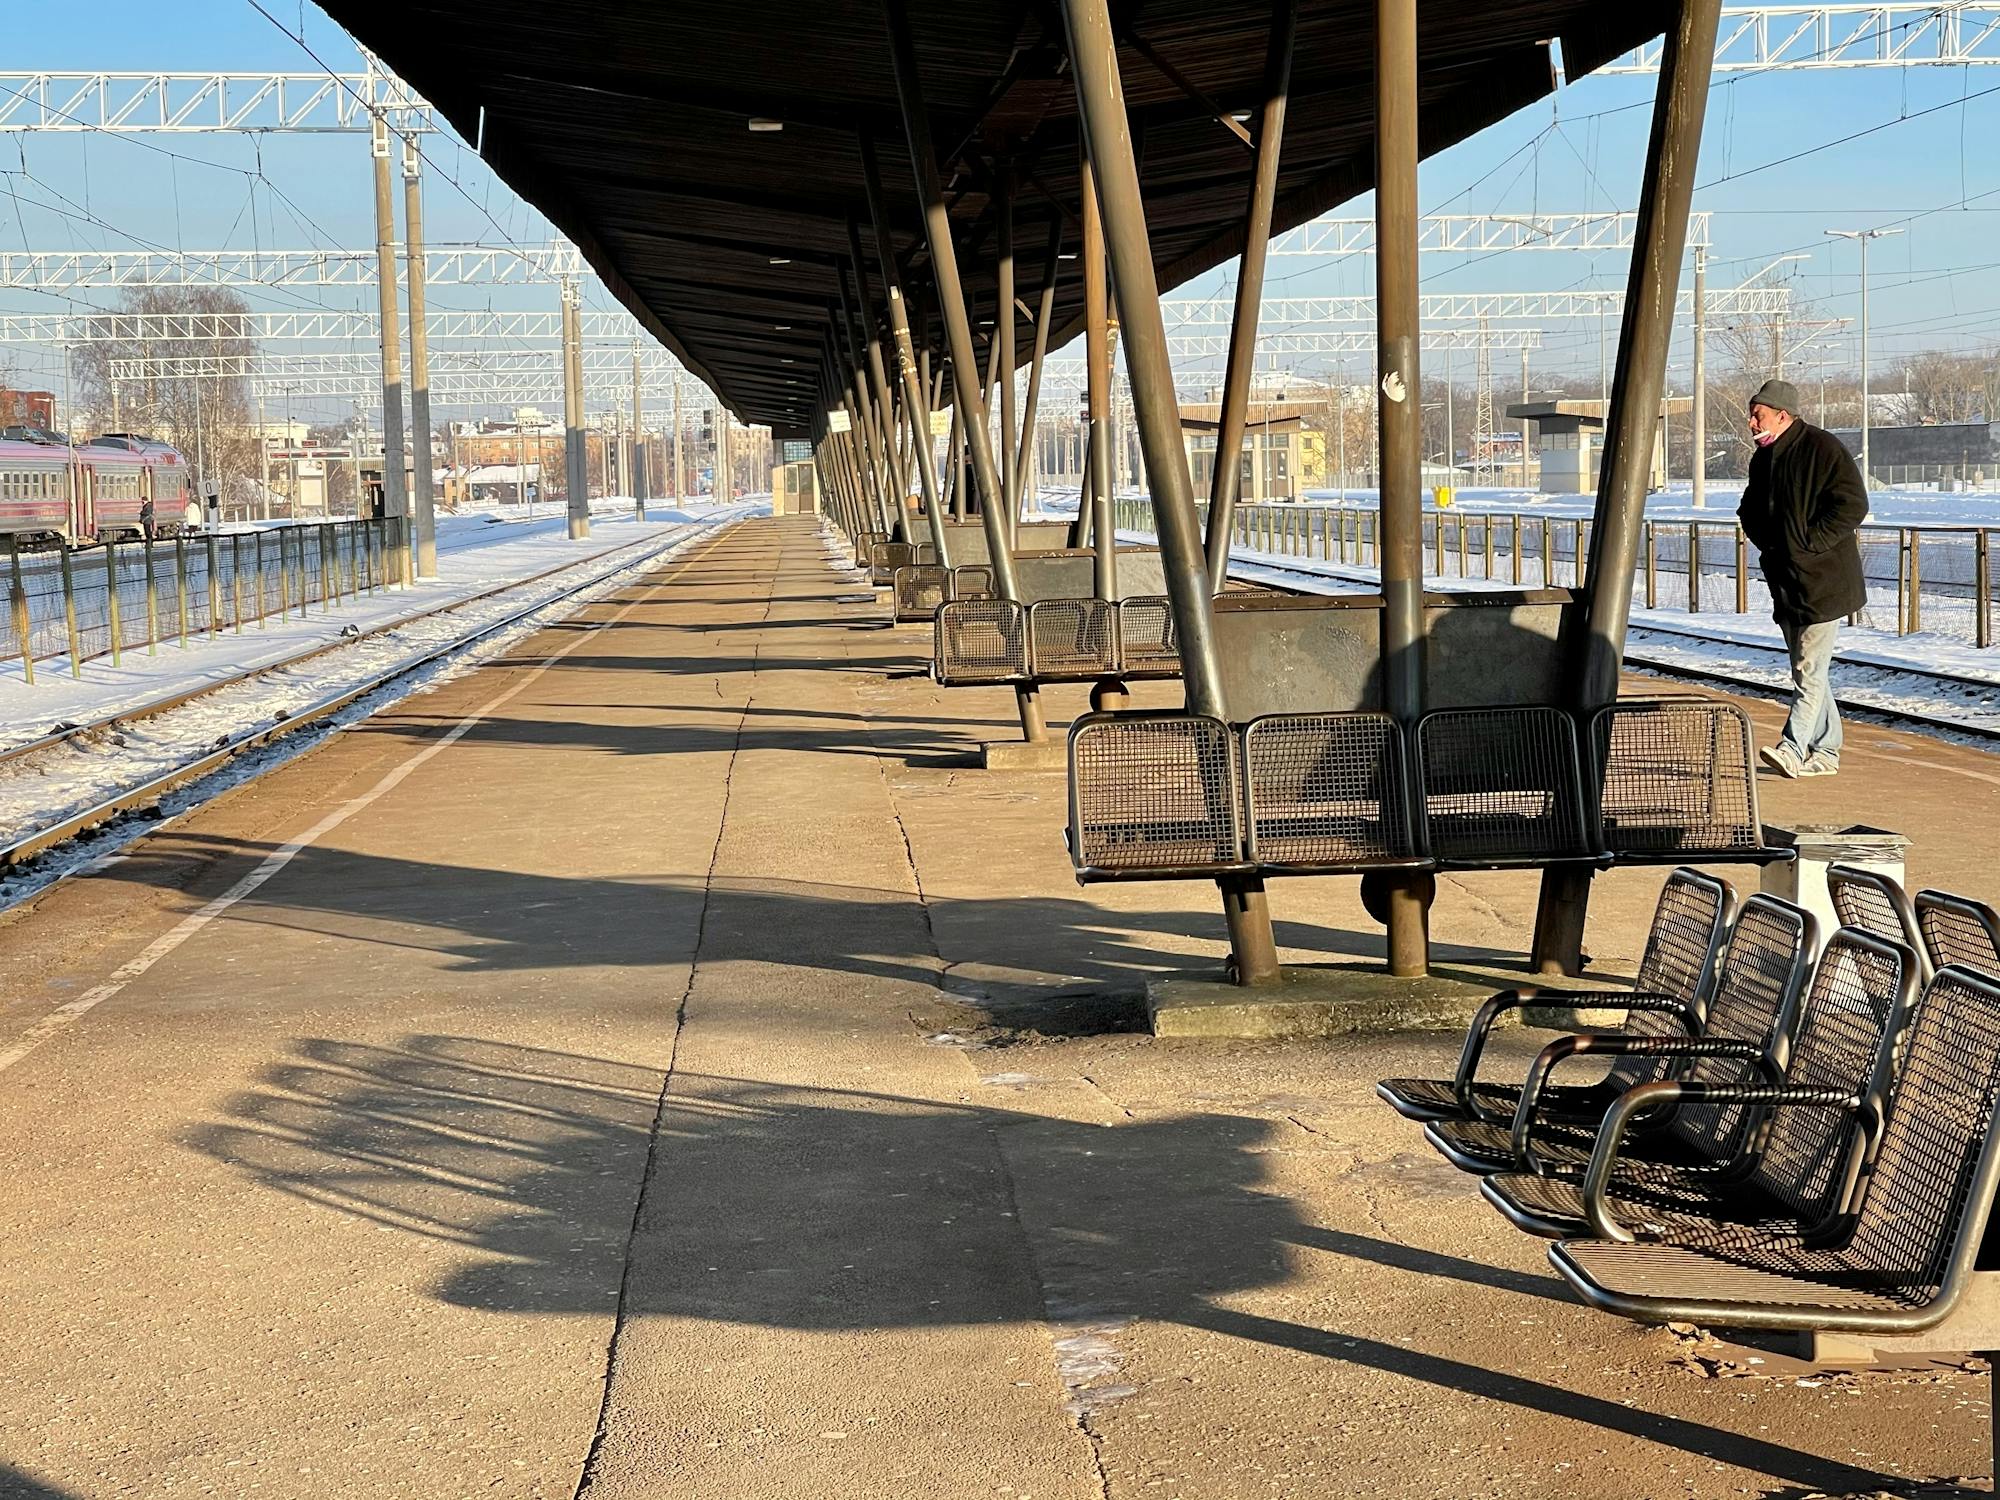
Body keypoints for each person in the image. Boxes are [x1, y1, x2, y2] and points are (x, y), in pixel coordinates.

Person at [1735, 377, 1869, 778]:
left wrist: (1809, 544)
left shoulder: (1823, 448)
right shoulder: (1763, 459)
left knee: (1808, 670)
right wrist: (1772, 545)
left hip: (1824, 582)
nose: (1751, 422)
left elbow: (1853, 505)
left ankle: (1793, 748)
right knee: (1808, 670)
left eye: (1757, 414)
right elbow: (1748, 509)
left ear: (1782, 415)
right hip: (1787, 582)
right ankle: (1826, 753)